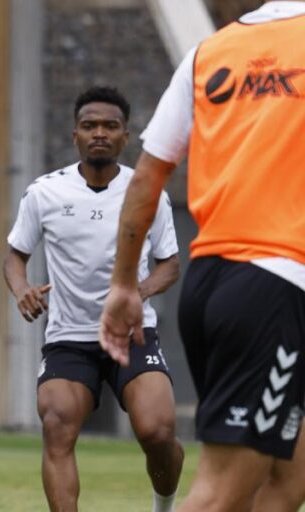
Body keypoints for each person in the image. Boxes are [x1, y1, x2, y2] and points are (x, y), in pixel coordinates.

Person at [99, 3, 305, 511]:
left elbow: (148, 176)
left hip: (213, 282)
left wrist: (125, 283)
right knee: (223, 490)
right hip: (272, 285)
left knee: (289, 481)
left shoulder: (207, 54)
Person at [6, 86, 184, 512]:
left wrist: (135, 292)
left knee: (157, 432)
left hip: (133, 335)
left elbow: (169, 265)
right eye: (89, 126)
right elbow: (15, 256)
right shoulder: (44, 193)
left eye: (110, 126)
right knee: (56, 425)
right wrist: (22, 289)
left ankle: (165, 505)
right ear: (75, 135)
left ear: (126, 136)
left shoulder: (149, 193)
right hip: (69, 338)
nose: (99, 133)